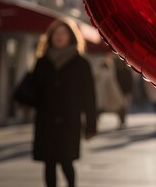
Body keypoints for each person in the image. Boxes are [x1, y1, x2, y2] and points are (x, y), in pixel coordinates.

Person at [32, 19, 97, 187]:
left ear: (71, 37)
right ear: (50, 37)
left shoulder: (82, 64)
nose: (59, 37)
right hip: (46, 122)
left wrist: (91, 125)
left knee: (66, 162)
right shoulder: (42, 62)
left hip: (69, 121)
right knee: (49, 163)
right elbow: (35, 91)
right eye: (56, 33)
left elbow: (89, 96)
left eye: (63, 33)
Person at [94, 56, 127, 128]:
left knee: (118, 107)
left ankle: (122, 121)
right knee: (99, 108)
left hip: (107, 93)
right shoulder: (102, 70)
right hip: (104, 93)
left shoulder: (108, 70)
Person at [114, 58, 134, 128]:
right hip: (118, 91)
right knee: (119, 107)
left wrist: (129, 91)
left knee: (123, 107)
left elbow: (130, 82)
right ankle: (121, 120)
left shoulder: (127, 71)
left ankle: (122, 120)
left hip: (125, 92)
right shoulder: (116, 71)